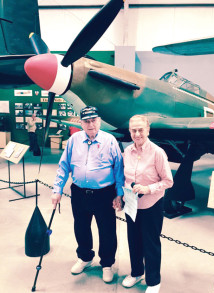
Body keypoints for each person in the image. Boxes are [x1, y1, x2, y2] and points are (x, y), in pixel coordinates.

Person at [51, 106, 124, 283]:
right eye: (86, 121)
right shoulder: (74, 140)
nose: (90, 124)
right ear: (81, 122)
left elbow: (119, 170)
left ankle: (107, 263)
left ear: (99, 121)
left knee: (107, 230)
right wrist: (57, 190)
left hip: (104, 194)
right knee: (81, 227)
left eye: (94, 120)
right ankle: (85, 257)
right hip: (79, 192)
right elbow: (64, 166)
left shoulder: (110, 140)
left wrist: (119, 194)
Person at [122, 115, 173, 293]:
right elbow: (126, 177)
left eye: (140, 130)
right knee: (133, 240)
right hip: (131, 202)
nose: (137, 134)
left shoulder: (157, 152)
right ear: (129, 131)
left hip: (152, 204)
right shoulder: (127, 151)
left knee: (150, 243)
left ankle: (153, 281)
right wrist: (121, 196)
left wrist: (148, 189)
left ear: (148, 130)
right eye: (133, 130)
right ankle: (136, 273)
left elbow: (168, 181)